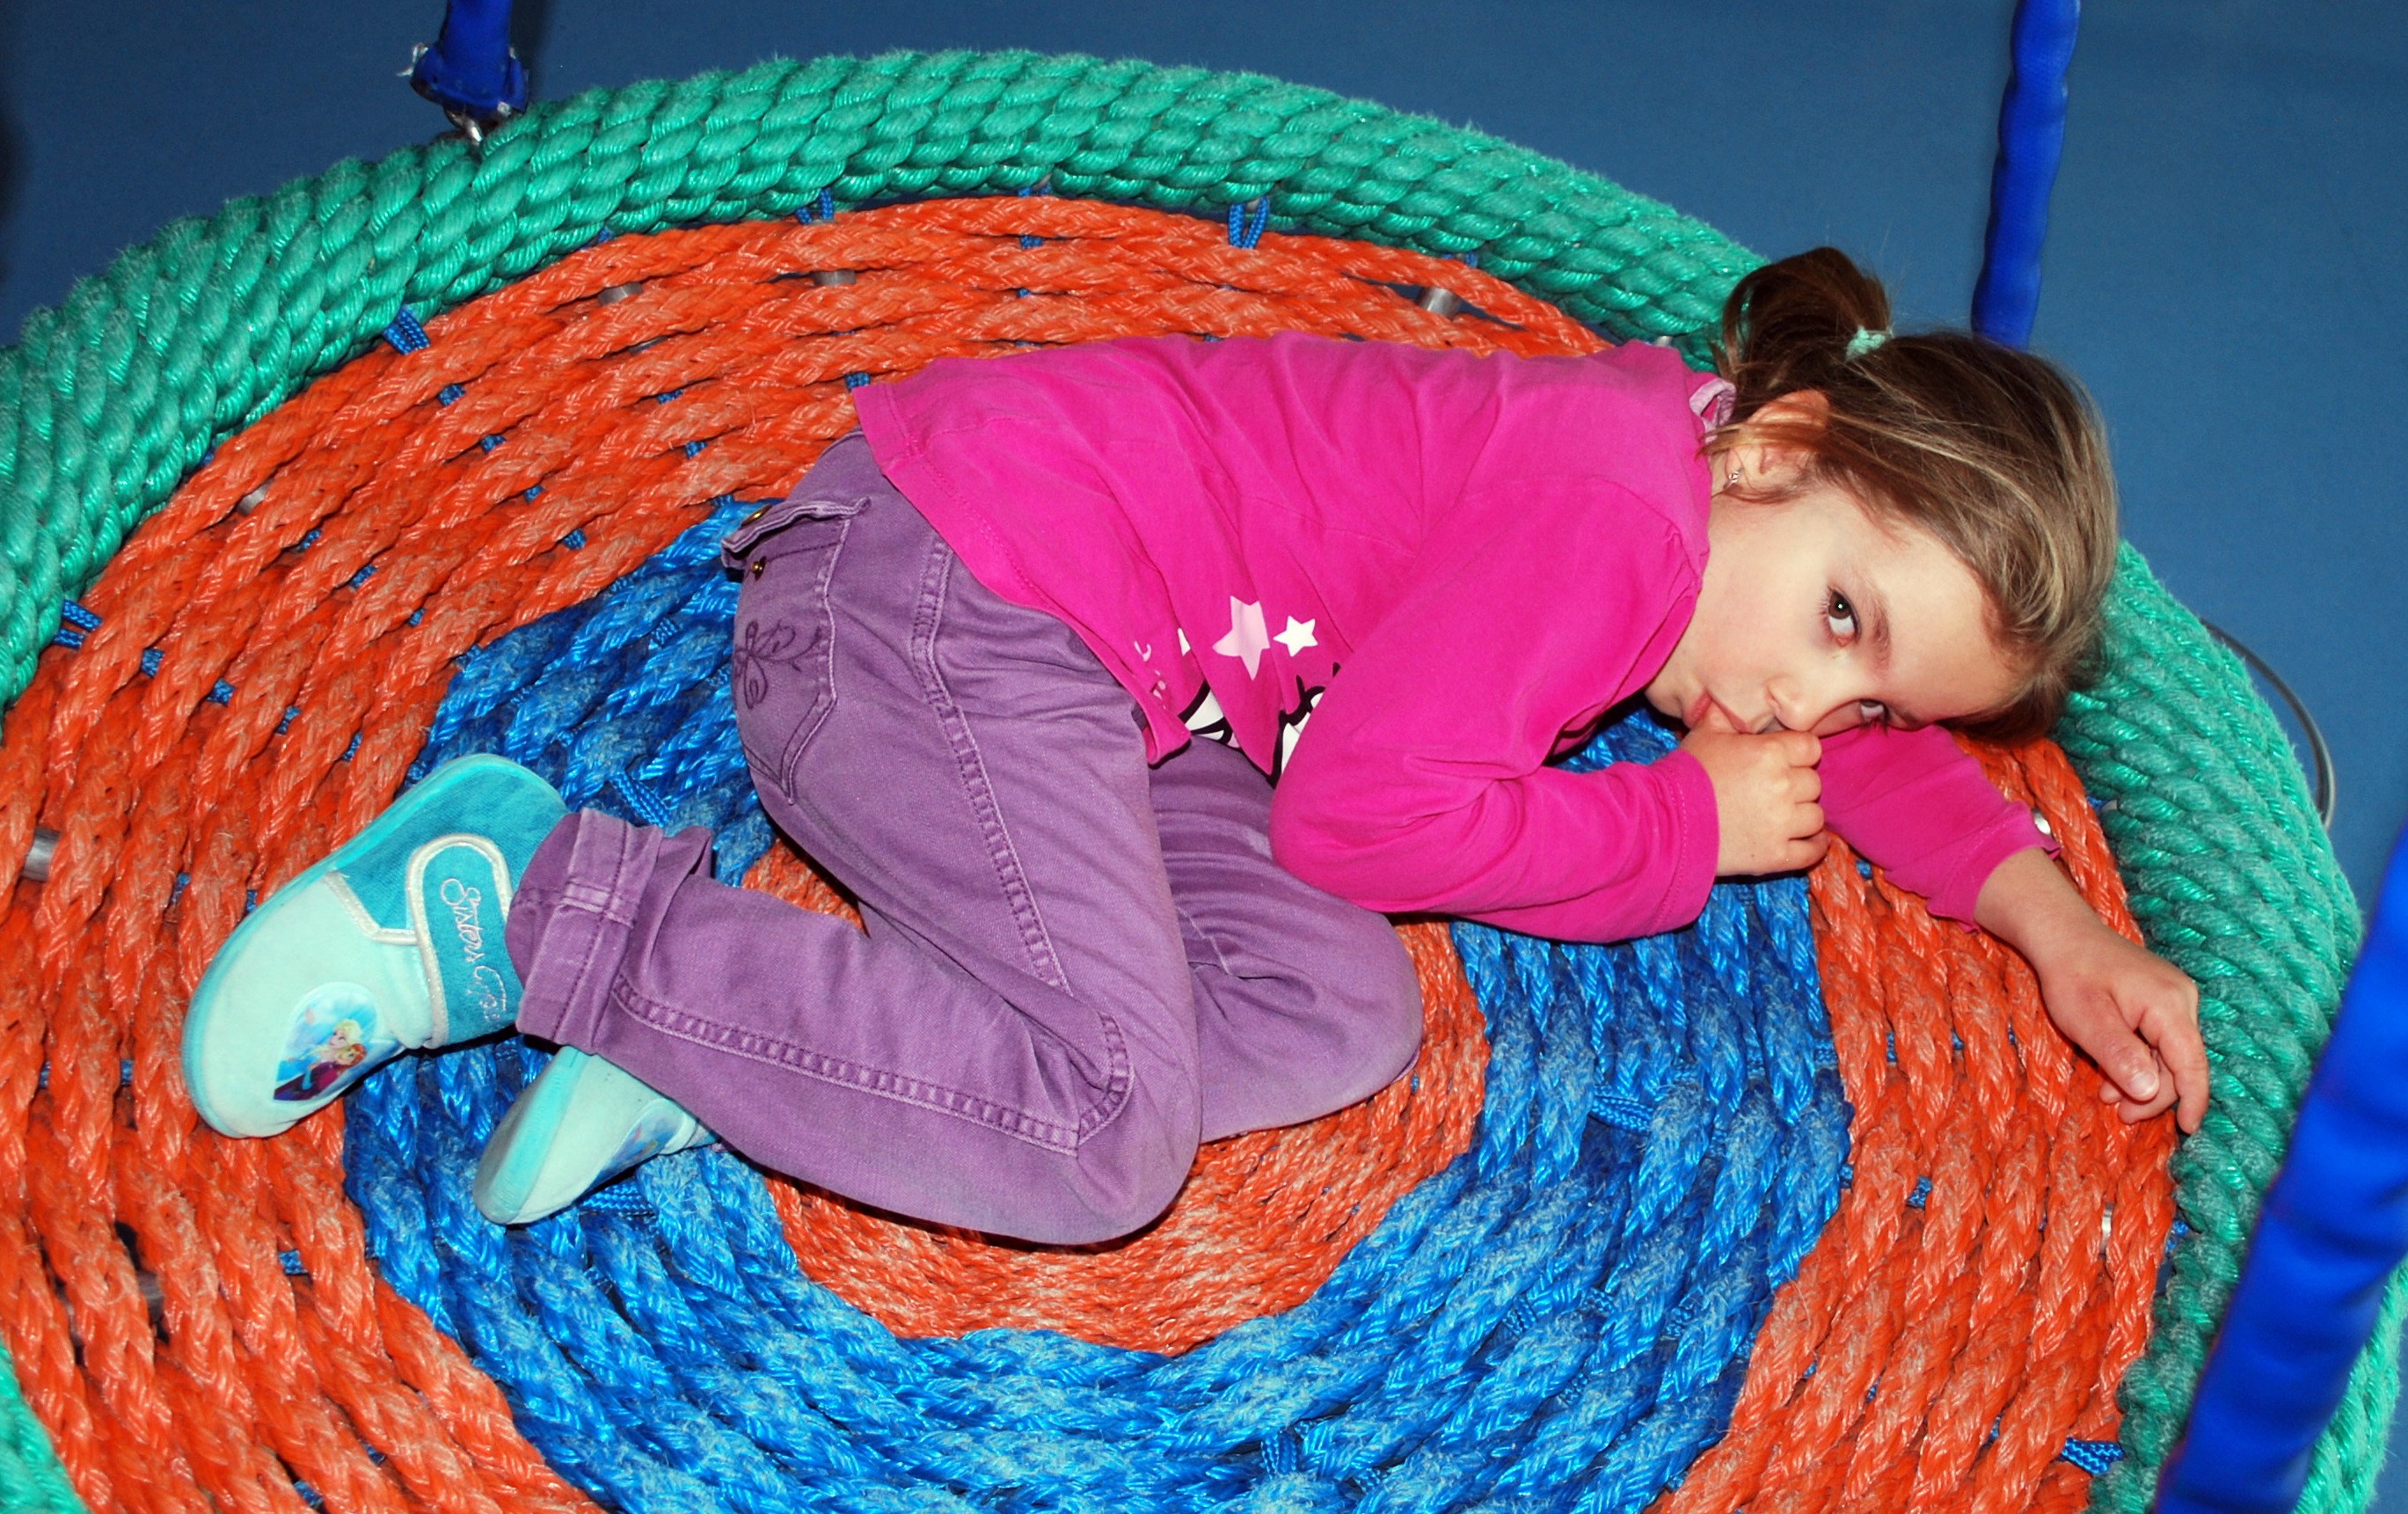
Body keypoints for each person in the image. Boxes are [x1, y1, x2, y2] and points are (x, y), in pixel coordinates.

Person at [180, 247, 2208, 1237]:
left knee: (1339, 1011)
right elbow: (1369, 816)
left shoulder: (1703, 506)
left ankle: (767, 1046)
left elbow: (1833, 749)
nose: (1812, 711)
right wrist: (1669, 831)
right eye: (1840, 625)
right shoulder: (1619, 530)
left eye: (1875, 698)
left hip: (1138, 683)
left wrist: (2052, 924)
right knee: (1098, 1137)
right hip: (939, 598)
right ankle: (525, 911)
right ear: (1780, 449)